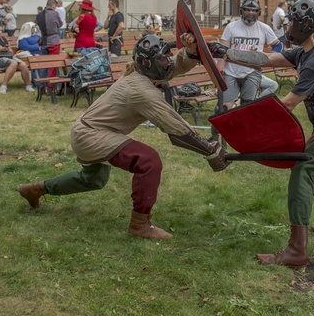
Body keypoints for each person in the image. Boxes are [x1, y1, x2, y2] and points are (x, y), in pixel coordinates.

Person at [18, 33, 229, 239]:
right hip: (93, 136)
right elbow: (177, 130)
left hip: (88, 131)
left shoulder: (143, 72)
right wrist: (209, 150)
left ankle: (35, 190)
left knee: (93, 180)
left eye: (166, 57)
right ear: (149, 63)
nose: (167, 63)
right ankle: (140, 225)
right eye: (163, 59)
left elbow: (173, 67)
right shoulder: (140, 90)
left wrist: (191, 52)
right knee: (148, 161)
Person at [229, 0, 314, 266]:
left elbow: (289, 103)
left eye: (291, 21)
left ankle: (297, 251)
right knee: (305, 162)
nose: (287, 25)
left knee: (303, 170)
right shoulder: (308, 52)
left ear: (304, 25)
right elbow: (267, 59)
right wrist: (225, 52)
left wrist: (246, 121)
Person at [220, 0, 279, 109]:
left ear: (258, 12)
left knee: (247, 105)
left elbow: (278, 45)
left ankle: (244, 126)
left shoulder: (264, 28)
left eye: (254, 10)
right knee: (225, 108)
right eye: (247, 9)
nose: (250, 12)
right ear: (242, 10)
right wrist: (220, 66)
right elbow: (222, 49)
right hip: (231, 71)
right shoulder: (231, 27)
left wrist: (267, 57)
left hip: (252, 71)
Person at [0, 23, 35, 94]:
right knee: (13, 63)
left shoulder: (3, 39)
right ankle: (3, 86)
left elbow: (10, 50)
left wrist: (8, 49)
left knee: (23, 64)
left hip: (7, 57)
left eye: (1, 31)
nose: (0, 32)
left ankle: (28, 85)